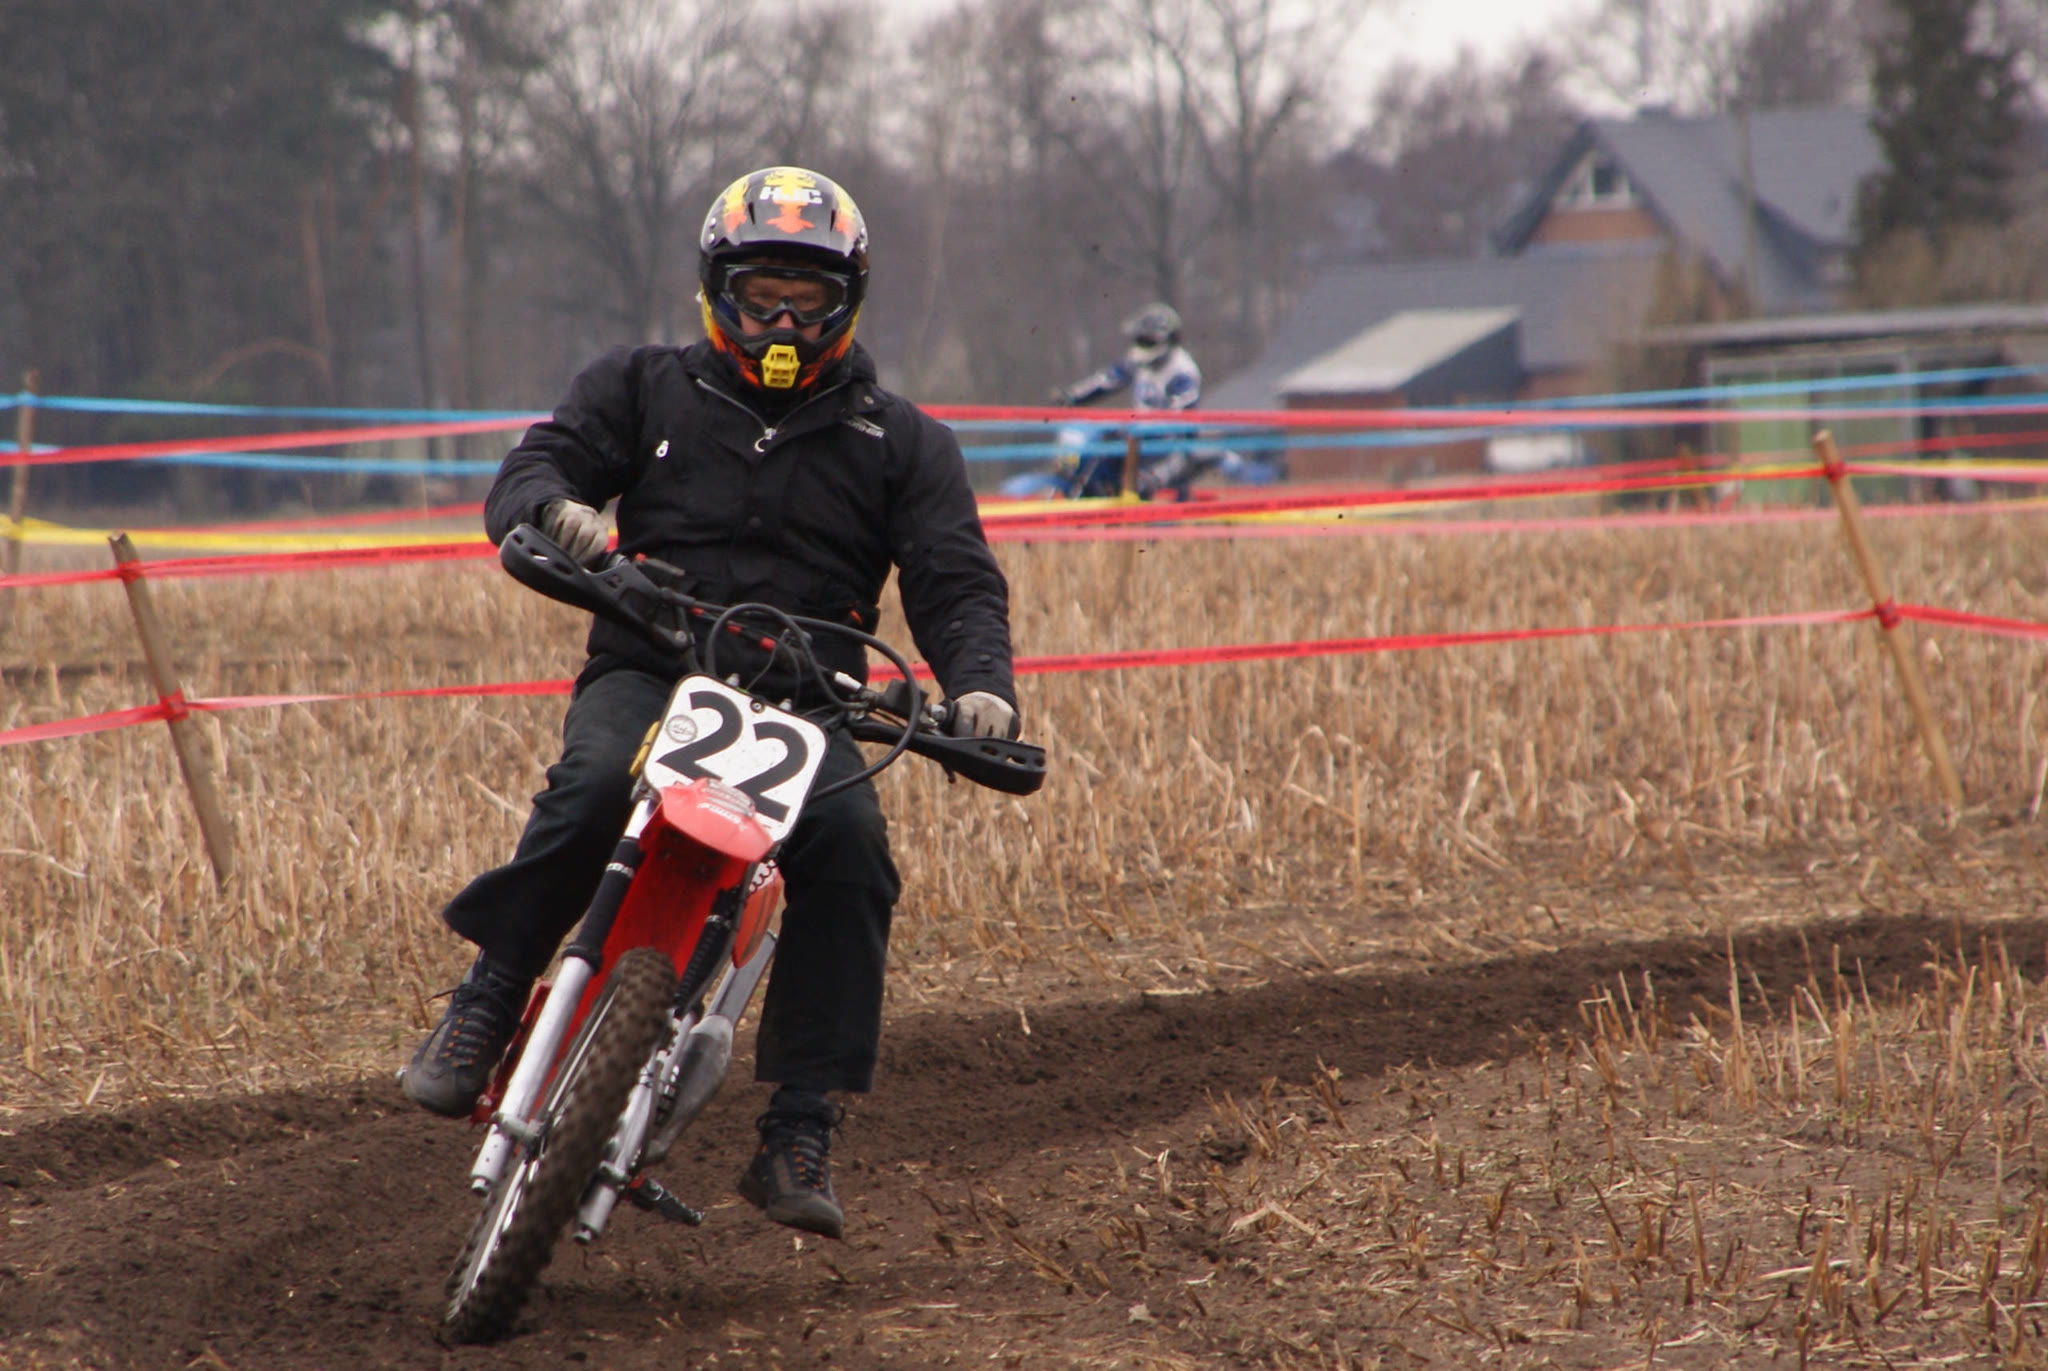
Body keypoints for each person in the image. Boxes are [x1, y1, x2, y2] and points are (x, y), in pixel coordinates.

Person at [399, 165, 1019, 1243]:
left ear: (847, 303)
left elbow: (956, 580)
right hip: (653, 660)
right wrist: (557, 510)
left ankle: (800, 1125)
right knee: (593, 782)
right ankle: (489, 995)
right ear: (716, 291)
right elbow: (535, 466)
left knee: (853, 852)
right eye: (762, 296)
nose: (783, 323)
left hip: (809, 701)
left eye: (808, 301)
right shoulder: (640, 386)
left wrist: (979, 688)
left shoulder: (904, 441)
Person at [1050, 302, 1204, 497]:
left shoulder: (1183, 372)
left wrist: (1142, 426)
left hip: (1170, 446)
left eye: (1147, 341)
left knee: (1141, 485)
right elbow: (1107, 380)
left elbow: (1179, 415)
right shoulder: (1137, 362)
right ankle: (1089, 500)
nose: (1142, 346)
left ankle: (1153, 512)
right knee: (1097, 466)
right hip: (1136, 438)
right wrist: (1071, 397)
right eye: (1140, 340)